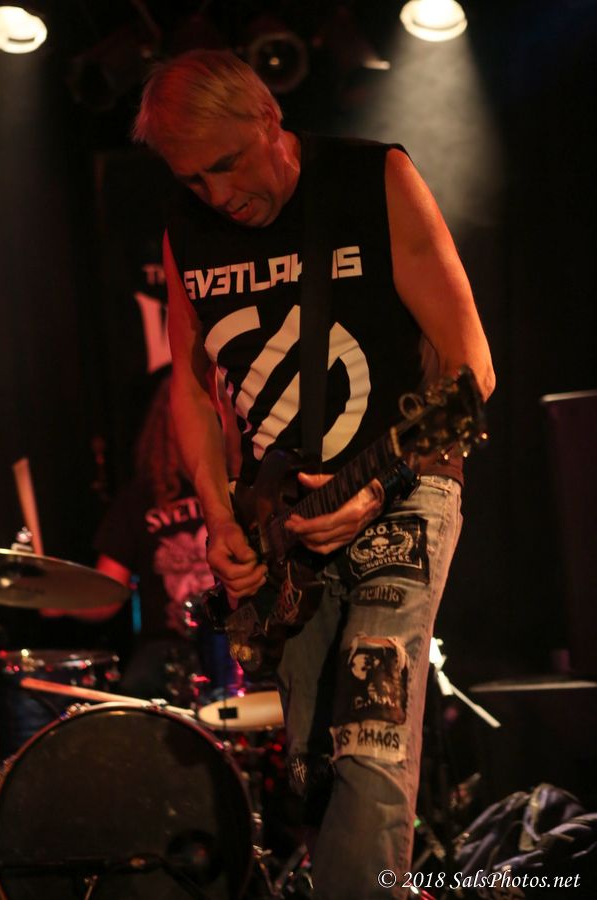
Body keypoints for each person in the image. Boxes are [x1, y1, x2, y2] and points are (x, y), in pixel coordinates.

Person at [133, 49, 495, 899]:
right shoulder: (188, 231)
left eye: (228, 164)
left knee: (372, 743)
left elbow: (470, 369)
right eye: (193, 179)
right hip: (284, 525)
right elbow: (190, 386)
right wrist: (220, 519)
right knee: (309, 772)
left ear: (269, 117)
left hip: (404, 487)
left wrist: (376, 487)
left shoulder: (373, 180)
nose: (217, 194)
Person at [43, 373, 240, 703]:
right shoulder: (139, 500)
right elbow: (107, 594)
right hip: (169, 648)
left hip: (240, 632)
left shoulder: (243, 487)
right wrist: (54, 598)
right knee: (136, 688)